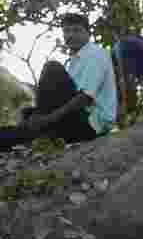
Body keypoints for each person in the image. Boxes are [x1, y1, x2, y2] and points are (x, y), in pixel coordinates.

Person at [1, 13, 116, 151]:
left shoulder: (96, 54)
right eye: (67, 31)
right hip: (67, 120)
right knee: (19, 121)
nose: (70, 35)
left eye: (76, 30)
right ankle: (34, 132)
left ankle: (39, 129)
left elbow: (84, 98)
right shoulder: (71, 62)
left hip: (90, 125)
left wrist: (47, 120)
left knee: (52, 68)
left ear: (88, 34)